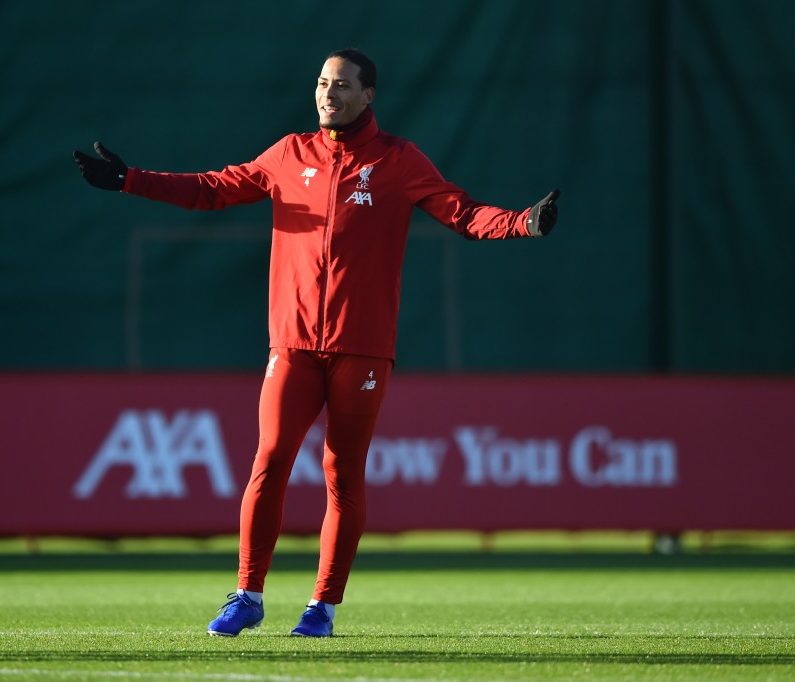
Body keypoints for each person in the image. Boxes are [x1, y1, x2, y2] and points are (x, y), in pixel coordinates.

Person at [74, 48, 559, 638]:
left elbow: (461, 212)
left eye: (343, 85)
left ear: (369, 95)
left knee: (342, 473)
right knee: (269, 461)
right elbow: (211, 189)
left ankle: (321, 609)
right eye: (323, 83)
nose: (329, 93)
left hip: (362, 349)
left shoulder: (398, 160)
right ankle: (247, 595)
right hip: (294, 344)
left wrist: (522, 221)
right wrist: (128, 180)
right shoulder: (289, 154)